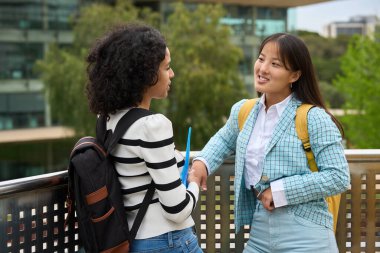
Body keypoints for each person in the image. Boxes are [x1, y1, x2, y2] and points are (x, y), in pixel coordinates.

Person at [189, 33, 350, 253]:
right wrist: (201, 163)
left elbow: (338, 177)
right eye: (261, 58)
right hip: (260, 230)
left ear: (294, 75)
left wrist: (281, 190)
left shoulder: (314, 118)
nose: (263, 68)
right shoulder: (244, 111)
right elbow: (223, 140)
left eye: (275, 64)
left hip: (307, 234)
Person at [85, 23, 203, 253]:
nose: (172, 74)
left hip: (135, 240)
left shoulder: (107, 120)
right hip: (168, 241)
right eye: (166, 67)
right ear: (145, 75)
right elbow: (178, 208)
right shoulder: (152, 126)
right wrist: (196, 181)